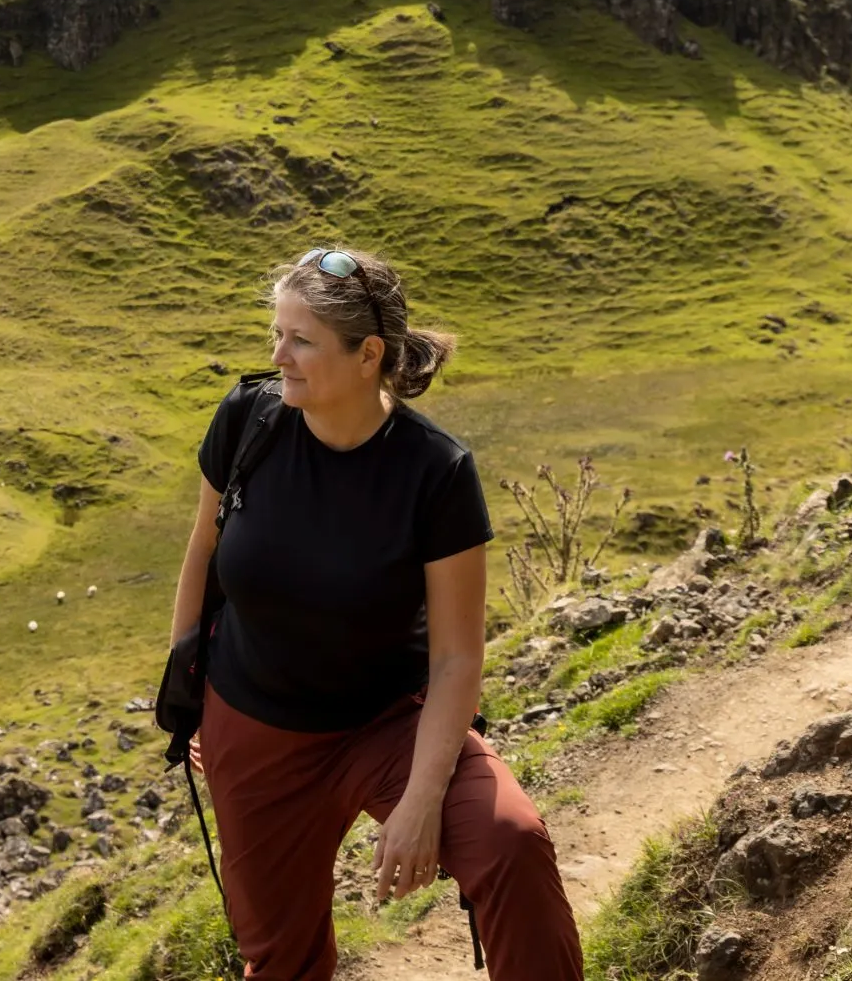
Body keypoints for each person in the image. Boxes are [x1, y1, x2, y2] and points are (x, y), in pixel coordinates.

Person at [170, 247, 581, 980]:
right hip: (254, 734)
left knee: (510, 841)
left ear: (369, 356)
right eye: (277, 333)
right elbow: (203, 554)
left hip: (390, 724)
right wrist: (189, 693)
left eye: (300, 340)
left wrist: (422, 802)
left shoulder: (435, 472)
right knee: (281, 962)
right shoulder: (247, 423)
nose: (278, 355)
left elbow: (457, 658)